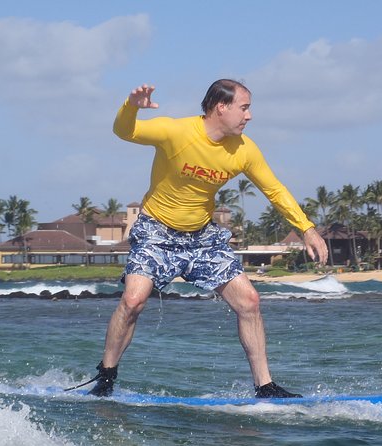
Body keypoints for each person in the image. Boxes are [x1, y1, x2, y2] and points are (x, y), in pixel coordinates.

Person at [79, 80, 328, 399]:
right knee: (132, 300)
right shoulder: (176, 132)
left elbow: (274, 190)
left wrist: (306, 227)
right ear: (220, 107)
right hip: (156, 231)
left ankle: (265, 387)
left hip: (202, 237)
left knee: (249, 301)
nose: (249, 116)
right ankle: (106, 377)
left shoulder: (244, 150)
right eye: (244, 107)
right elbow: (125, 132)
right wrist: (130, 107)